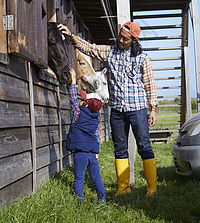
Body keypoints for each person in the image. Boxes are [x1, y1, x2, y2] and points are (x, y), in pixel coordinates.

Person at [59, 21, 158, 196]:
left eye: (125, 39)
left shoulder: (143, 58)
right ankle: (123, 188)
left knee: (144, 145)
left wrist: (153, 108)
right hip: (117, 110)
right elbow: (89, 48)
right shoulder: (110, 52)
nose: (120, 40)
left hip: (138, 109)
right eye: (120, 36)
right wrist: (71, 35)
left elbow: (149, 84)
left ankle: (152, 188)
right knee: (119, 147)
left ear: (134, 41)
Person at [66, 68, 106, 203]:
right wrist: (97, 151)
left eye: (83, 100)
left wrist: (73, 81)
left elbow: (72, 98)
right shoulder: (96, 118)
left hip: (80, 154)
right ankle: (102, 198)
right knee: (96, 177)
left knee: (79, 178)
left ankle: (79, 201)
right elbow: (96, 135)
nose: (80, 101)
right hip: (92, 153)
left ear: (86, 105)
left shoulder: (78, 113)